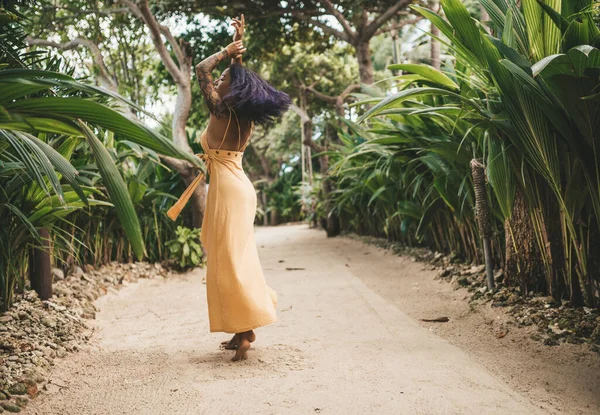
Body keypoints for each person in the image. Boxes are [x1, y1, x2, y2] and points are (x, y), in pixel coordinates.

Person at [167, 15, 291, 361]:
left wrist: (225, 51)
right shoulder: (243, 113)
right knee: (233, 258)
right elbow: (236, 78)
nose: (219, 80)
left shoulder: (219, 108)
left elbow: (202, 70)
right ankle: (241, 329)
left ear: (228, 90)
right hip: (238, 187)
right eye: (223, 80)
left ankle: (247, 328)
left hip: (228, 190)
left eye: (225, 80)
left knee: (229, 261)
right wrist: (238, 45)